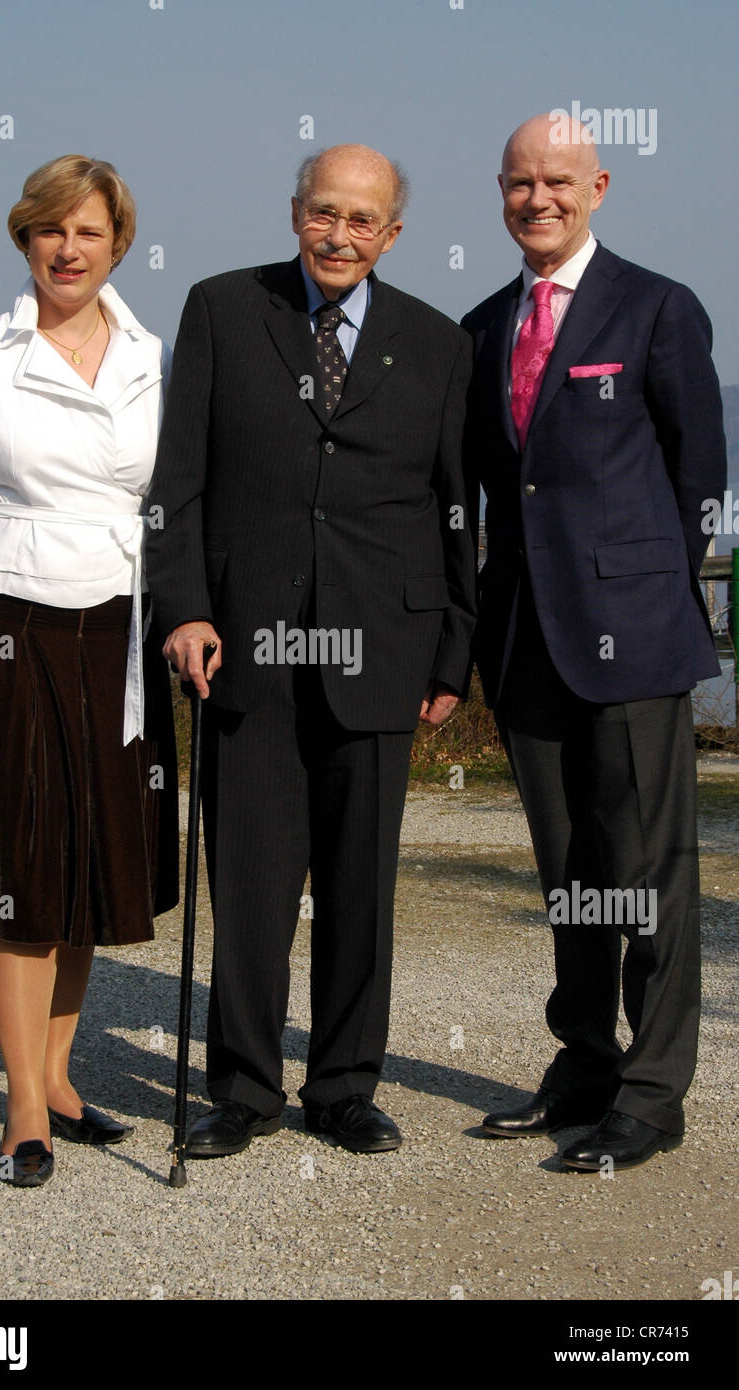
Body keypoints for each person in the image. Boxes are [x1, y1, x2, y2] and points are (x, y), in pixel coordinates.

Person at [145, 143, 476, 1158]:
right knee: (245, 880)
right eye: (322, 213)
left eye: (361, 219)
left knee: (358, 885)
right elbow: (178, 481)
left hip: (384, 645)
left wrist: (451, 652)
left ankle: (342, 1087)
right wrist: (183, 608)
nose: (339, 235)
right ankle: (242, 1088)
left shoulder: (435, 342)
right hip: (245, 644)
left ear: (392, 233)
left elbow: (457, 506)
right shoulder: (219, 308)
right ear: (295, 213)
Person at [0, 155, 178, 1187]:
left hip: (116, 628)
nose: (67, 249)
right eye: (49, 230)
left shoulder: (151, 354)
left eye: (88, 232)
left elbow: (167, 501)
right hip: (2, 620)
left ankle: (57, 1075)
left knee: (94, 864)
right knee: (23, 870)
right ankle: (19, 1110)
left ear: (116, 244)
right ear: (25, 240)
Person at [461, 114, 726, 1170]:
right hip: (526, 639)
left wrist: (639, 589)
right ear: (501, 191)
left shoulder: (656, 306)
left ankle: (652, 1092)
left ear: (599, 185)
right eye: (521, 182)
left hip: (633, 636)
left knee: (646, 867)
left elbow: (691, 476)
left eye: (559, 181)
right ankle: (583, 1061)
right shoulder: (481, 326)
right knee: (569, 868)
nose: (539, 199)